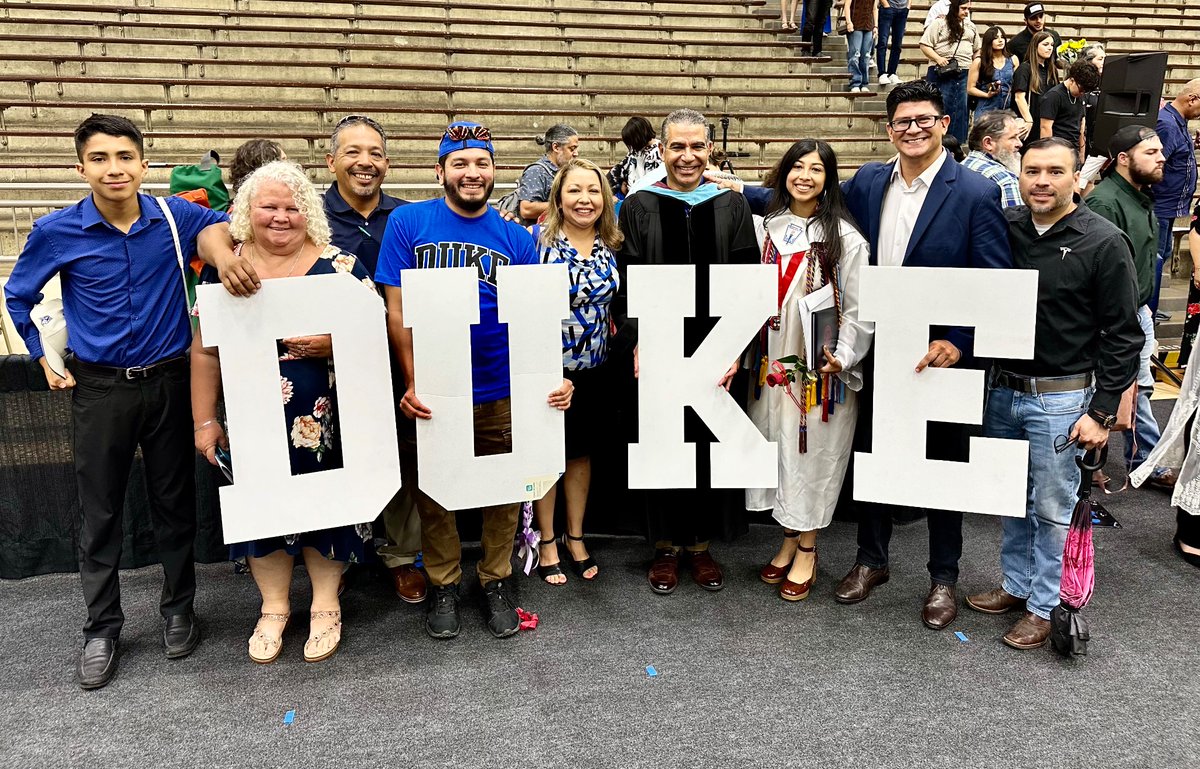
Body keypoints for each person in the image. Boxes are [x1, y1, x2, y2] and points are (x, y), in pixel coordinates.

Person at [3, 114, 234, 689]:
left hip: (169, 380)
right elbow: (18, 293)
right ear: (81, 167)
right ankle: (101, 628)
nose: (115, 168)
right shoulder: (57, 230)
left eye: (125, 157)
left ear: (143, 164)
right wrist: (42, 356)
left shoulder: (172, 218)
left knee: (174, 501)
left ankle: (179, 608)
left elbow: (219, 223)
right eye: (101, 158)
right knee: (100, 510)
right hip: (101, 387)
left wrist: (222, 255)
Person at [375, 121, 574, 639]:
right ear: (439, 170)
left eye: (481, 163)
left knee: (505, 490)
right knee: (435, 493)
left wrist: (553, 379)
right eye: (460, 163)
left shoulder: (515, 238)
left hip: (500, 384)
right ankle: (443, 580)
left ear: (494, 171)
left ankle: (496, 578)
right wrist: (414, 379)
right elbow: (396, 310)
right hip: (439, 387)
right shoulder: (408, 223)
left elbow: (533, 318)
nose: (471, 172)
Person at [836, 80, 1012, 630]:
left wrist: (959, 341)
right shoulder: (868, 181)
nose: (913, 129)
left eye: (923, 119)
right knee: (873, 457)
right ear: (889, 129)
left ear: (943, 124)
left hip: (941, 357)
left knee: (944, 469)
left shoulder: (976, 193)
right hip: (880, 348)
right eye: (902, 121)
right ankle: (871, 561)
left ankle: (943, 577)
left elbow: (994, 280)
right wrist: (730, 185)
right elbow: (805, 193)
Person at [191, 161, 378, 664]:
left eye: (293, 207)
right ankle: (274, 607)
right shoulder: (225, 266)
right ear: (247, 212)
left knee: (328, 510)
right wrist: (205, 420)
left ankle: (324, 604)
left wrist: (332, 345)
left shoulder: (341, 266)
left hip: (326, 421)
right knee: (263, 512)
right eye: (269, 206)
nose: (280, 216)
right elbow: (205, 351)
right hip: (253, 421)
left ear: (309, 213)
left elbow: (376, 341)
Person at [967, 137, 1141, 649]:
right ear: (1018, 174)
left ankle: (1046, 605)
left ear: (1076, 179)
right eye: (1032, 170)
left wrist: (1102, 413)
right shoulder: (1006, 228)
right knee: (1010, 498)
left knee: (1052, 505)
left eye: (1055, 172)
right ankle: (1016, 586)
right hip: (1002, 390)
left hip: (1062, 399)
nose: (1042, 181)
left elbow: (1125, 335)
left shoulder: (1102, 241)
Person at [615, 108, 759, 596]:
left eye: (697, 146)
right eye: (677, 146)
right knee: (660, 437)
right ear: (661, 149)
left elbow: (743, 280)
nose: (688, 156)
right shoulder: (638, 205)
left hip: (714, 346)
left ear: (710, 150)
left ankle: (699, 545)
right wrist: (637, 339)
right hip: (658, 342)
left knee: (703, 441)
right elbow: (628, 278)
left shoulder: (731, 205)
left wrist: (735, 344)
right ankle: (664, 547)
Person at [746, 139, 873, 601]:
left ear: (828, 179)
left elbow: (859, 308)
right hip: (771, 361)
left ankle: (808, 548)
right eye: (796, 166)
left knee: (813, 453)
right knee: (777, 450)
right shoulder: (766, 228)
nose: (804, 176)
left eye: (816, 169)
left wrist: (842, 354)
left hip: (820, 367)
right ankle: (786, 539)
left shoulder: (844, 237)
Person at [320, 114, 426, 604]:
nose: (365, 162)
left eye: (375, 154)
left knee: (404, 456)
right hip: (328, 365)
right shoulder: (307, 217)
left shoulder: (408, 219)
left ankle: (402, 556)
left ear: (388, 162)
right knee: (334, 456)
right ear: (331, 161)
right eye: (353, 152)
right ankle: (334, 558)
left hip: (396, 358)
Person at [530, 158, 622, 585]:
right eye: (574, 190)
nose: (584, 199)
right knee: (546, 457)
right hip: (548, 370)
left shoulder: (612, 245)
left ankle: (576, 536)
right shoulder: (536, 243)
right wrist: (546, 370)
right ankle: (546, 539)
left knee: (581, 455)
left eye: (593, 190)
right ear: (558, 197)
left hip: (596, 370)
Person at [1086, 125, 1177, 490]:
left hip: (1138, 309)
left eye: (1160, 152)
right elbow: (1100, 271)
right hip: (1114, 317)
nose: (1162, 158)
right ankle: (1125, 464)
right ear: (1124, 159)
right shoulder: (1105, 202)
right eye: (1151, 153)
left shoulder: (1139, 196)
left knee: (1141, 390)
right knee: (1122, 389)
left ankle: (1140, 461)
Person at [1152, 79, 1200, 319]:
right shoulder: (1167, 125)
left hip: (1170, 205)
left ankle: (1152, 304)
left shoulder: (1178, 122)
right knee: (1157, 256)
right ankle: (1149, 306)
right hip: (1160, 204)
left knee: (1164, 252)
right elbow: (1156, 164)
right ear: (1192, 99)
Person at [919, 0, 977, 144]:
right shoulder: (939, 23)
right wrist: (938, 58)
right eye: (963, 8)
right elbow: (924, 44)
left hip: (964, 71)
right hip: (941, 71)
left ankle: (958, 143)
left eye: (968, 9)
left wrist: (975, 64)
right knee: (939, 106)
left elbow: (977, 49)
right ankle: (936, 141)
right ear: (954, 8)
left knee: (961, 108)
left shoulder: (971, 26)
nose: (966, 11)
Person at [1038, 60, 1100, 164]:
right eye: (1081, 89)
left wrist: (1081, 153)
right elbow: (1045, 128)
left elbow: (1081, 125)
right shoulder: (1054, 96)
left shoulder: (1081, 97)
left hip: (1073, 150)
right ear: (1072, 80)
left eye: (1085, 91)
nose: (1082, 93)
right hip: (1057, 149)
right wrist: (1048, 155)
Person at [517, 123, 580, 224]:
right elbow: (526, 209)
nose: (576, 153)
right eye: (572, 149)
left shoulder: (567, 170)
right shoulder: (536, 171)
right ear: (556, 147)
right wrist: (565, 204)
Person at [962, 110, 1023, 207]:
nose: (1020, 144)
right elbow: (1015, 221)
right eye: (1013, 138)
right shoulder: (1005, 181)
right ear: (988, 143)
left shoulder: (960, 168)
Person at [1011, 31, 1060, 144]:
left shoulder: (1051, 70)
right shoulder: (1025, 68)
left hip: (1046, 122)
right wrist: (1028, 120)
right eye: (1045, 44)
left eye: (1052, 45)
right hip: (1030, 119)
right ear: (1035, 46)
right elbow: (1019, 97)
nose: (1049, 48)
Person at [967, 26, 1018, 121]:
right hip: (986, 107)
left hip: (1006, 108)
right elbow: (970, 88)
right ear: (989, 41)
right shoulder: (979, 61)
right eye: (995, 38)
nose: (1000, 40)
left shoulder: (1013, 59)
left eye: (1002, 37)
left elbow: (1017, 84)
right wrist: (986, 94)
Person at [607, 116, 662, 198]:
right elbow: (618, 171)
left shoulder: (659, 152)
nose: (631, 145)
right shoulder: (635, 151)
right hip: (631, 197)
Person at [1080, 43, 1107, 158]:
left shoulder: (1108, 82)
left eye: (1105, 58)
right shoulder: (1080, 85)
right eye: (1100, 59)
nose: (1104, 62)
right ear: (1089, 61)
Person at [845, 0, 877, 94]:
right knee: (854, 55)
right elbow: (847, 5)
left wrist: (875, 26)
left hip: (868, 26)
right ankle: (855, 83)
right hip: (856, 24)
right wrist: (848, 22)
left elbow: (874, 8)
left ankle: (864, 83)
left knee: (866, 56)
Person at [875, 0, 909, 86]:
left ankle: (892, 72)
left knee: (897, 44)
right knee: (883, 42)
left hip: (903, 10)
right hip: (888, 8)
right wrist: (886, 4)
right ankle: (882, 73)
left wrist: (908, 6)